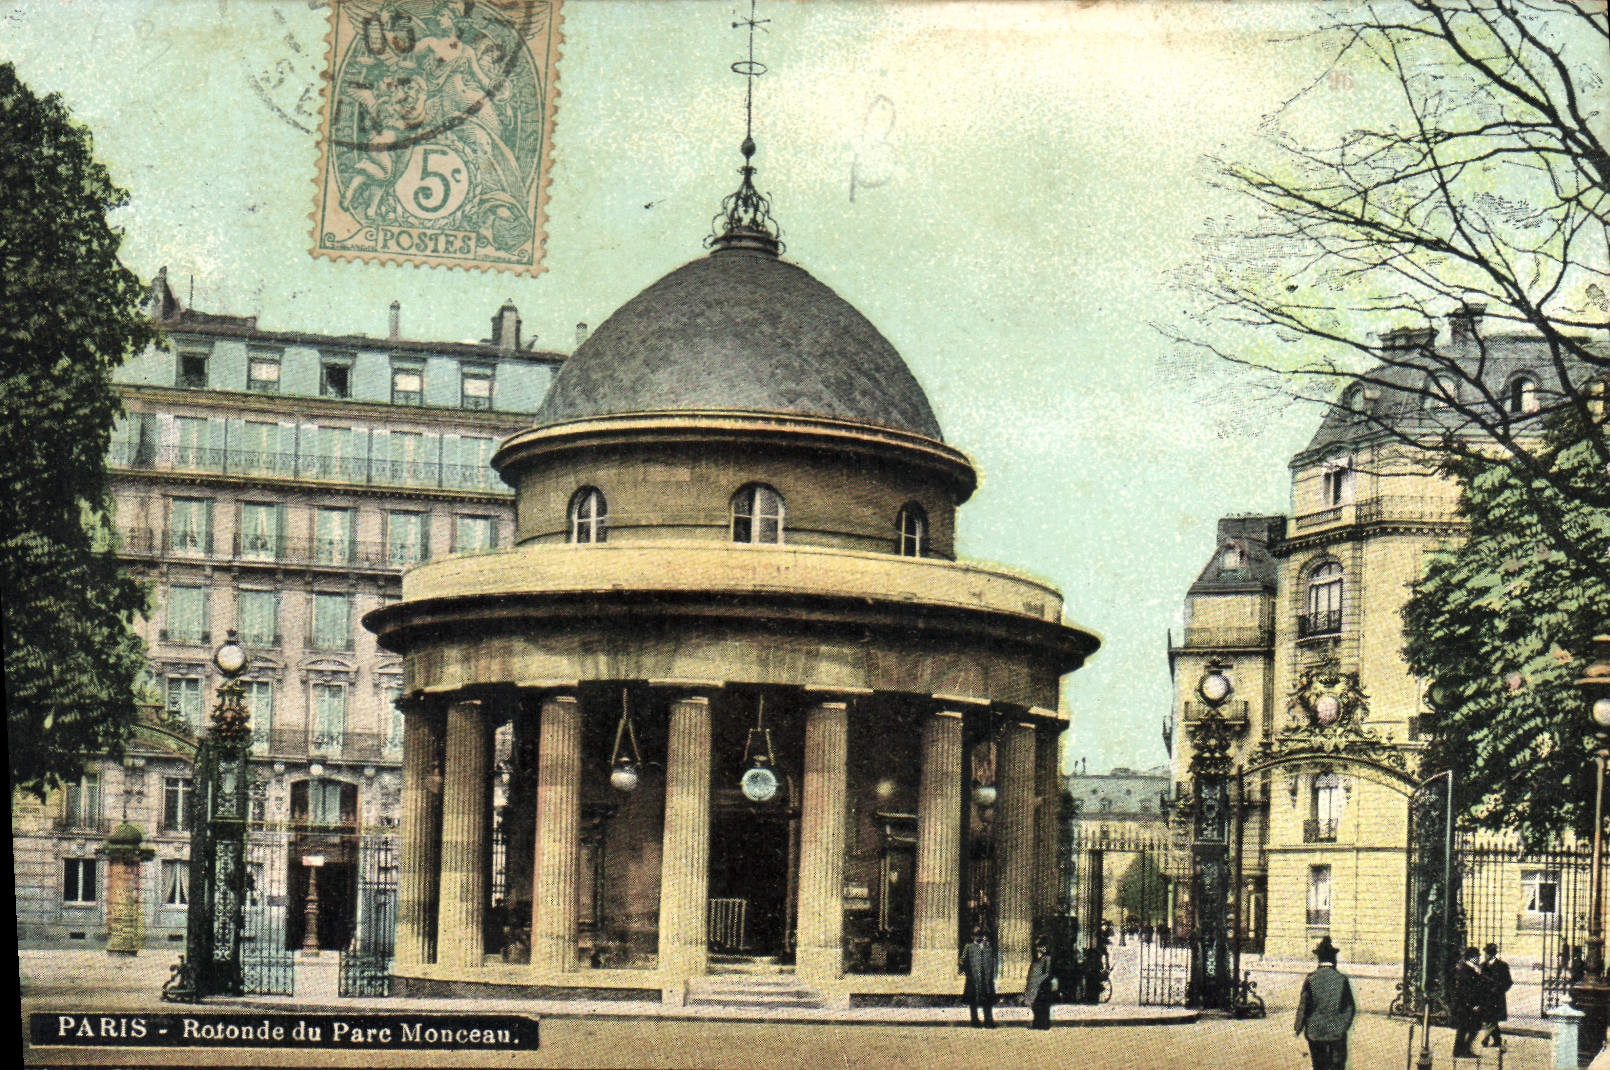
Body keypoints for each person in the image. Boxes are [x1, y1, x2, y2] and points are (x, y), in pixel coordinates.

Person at [1294, 935, 1356, 1070]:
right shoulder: (1341, 979)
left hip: (1315, 1032)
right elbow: (1350, 1007)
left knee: (1319, 1066)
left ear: (1319, 959)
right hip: (1336, 1032)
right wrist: (1342, 1025)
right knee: (1337, 1065)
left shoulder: (1311, 979)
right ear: (1334, 959)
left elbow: (1304, 1006)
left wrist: (1298, 1027)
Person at [961, 927, 997, 1028]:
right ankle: (975, 1021)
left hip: (986, 978)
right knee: (973, 1001)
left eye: (980, 935)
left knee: (987, 1000)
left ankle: (988, 1021)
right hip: (973, 978)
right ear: (972, 936)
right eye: (976, 935)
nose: (978, 937)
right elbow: (962, 961)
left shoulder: (988, 947)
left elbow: (992, 962)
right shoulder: (969, 947)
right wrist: (968, 972)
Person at [1451, 946, 1484, 1058]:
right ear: (1472, 957)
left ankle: (1464, 1050)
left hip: (1469, 1005)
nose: (1479, 958)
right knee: (1465, 1028)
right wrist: (1472, 1004)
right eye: (1477, 956)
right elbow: (1466, 990)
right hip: (1466, 1006)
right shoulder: (1465, 970)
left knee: (1471, 1028)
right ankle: (1460, 1051)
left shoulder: (1471, 969)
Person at [1480, 943, 1512, 1049]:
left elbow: (1508, 982)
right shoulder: (1483, 966)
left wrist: (1499, 990)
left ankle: (1487, 1039)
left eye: (1487, 953)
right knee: (1489, 1019)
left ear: (1491, 954)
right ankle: (1496, 1040)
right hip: (1485, 997)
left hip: (1497, 998)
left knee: (1492, 1019)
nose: (1485, 955)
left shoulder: (1502, 966)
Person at [1026, 939, 1057, 1030]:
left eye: (1043, 947)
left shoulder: (1047, 958)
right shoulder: (1041, 958)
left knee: (1041, 1006)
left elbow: (1047, 973)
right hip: (1038, 986)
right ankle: (1039, 1023)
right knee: (1038, 1006)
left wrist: (1037, 981)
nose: (1040, 948)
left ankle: (1042, 1024)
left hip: (1043, 986)